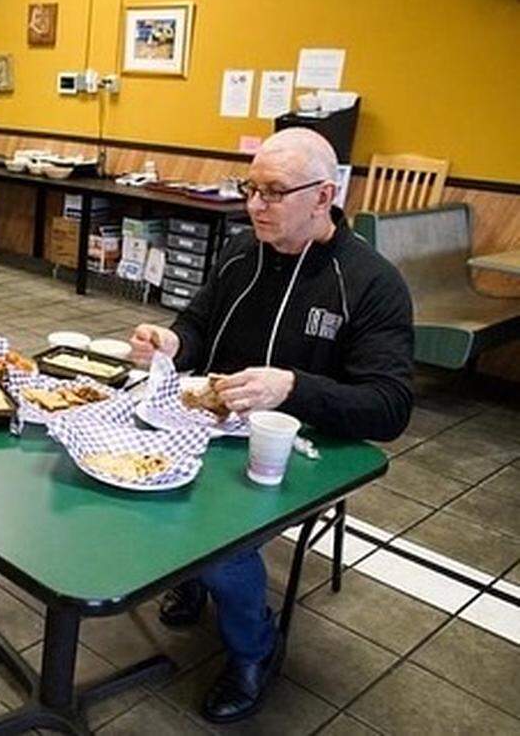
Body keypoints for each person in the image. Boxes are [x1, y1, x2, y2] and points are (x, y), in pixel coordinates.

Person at [129, 128, 414, 723]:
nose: (255, 205)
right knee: (134, 476)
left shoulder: (371, 283)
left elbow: (389, 407)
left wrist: (291, 387)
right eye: (250, 188)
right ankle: (193, 576)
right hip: (216, 426)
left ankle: (254, 649)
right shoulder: (241, 250)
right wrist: (173, 342)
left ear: (324, 196)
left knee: (220, 539)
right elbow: (199, 323)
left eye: (274, 192)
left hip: (303, 446)